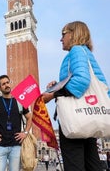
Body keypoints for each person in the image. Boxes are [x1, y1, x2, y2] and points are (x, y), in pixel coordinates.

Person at [42, 21, 110, 171]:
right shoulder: (86, 52)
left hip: (75, 117)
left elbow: (82, 80)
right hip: (87, 116)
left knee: (75, 165)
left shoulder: (77, 50)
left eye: (63, 34)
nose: (61, 39)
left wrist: (54, 94)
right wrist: (59, 84)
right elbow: (101, 85)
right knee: (92, 164)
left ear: (73, 34)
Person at [0, 75, 32, 171]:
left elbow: (29, 117)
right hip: (0, 145)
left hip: (16, 146)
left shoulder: (19, 101)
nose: (6, 85)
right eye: (3, 84)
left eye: (7, 82)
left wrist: (25, 133)